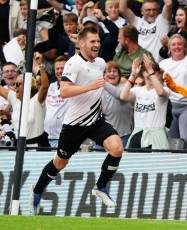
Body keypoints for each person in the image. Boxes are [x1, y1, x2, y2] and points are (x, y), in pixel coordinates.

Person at [30, 27, 124, 214]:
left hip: (95, 120)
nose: (97, 44)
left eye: (98, 41)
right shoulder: (73, 63)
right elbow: (64, 91)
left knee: (117, 148)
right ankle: (38, 189)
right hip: (74, 124)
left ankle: (101, 187)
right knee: (60, 163)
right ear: (82, 45)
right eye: (93, 42)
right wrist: (89, 87)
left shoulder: (101, 63)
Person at [159, 34, 187, 147]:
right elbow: (158, 84)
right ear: (169, 48)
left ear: (184, 47)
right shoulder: (163, 64)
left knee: (185, 140)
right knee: (171, 142)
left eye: (180, 44)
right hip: (169, 106)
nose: (177, 47)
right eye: (173, 44)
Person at [120, 54, 170, 149]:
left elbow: (160, 92)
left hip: (156, 135)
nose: (150, 74)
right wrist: (133, 74)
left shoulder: (165, 90)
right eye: (146, 71)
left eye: (155, 72)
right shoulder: (137, 90)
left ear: (159, 74)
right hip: (138, 133)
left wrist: (151, 71)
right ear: (143, 73)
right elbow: (123, 96)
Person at [0, 53, 50, 147]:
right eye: (15, 84)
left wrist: (40, 66)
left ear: (28, 86)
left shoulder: (36, 100)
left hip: (38, 145)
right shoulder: (14, 98)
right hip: (20, 145)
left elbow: (45, 86)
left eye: (18, 84)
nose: (15, 87)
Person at [102, 61, 133, 148]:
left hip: (123, 136)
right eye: (108, 71)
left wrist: (103, 82)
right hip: (104, 137)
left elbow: (120, 95)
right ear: (104, 75)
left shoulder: (124, 87)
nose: (112, 73)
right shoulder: (99, 90)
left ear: (119, 75)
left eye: (114, 71)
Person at [44, 55, 69, 147]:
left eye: (62, 68)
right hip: (48, 139)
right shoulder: (51, 86)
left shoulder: (75, 86)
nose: (59, 71)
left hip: (65, 139)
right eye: (57, 69)